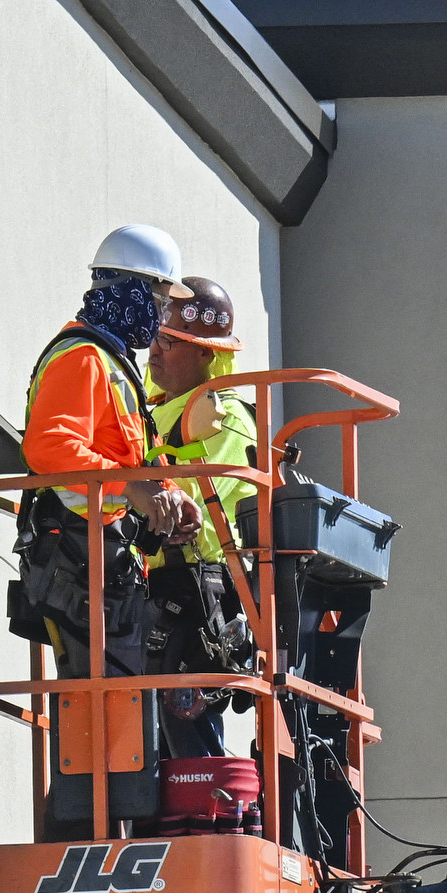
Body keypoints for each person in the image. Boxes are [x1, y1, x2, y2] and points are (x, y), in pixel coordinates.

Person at [14, 224, 190, 833]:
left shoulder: (114, 365)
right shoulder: (84, 357)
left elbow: (123, 456)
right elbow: (52, 447)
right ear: (133, 292)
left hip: (102, 564)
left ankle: (115, 823)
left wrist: (165, 492)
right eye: (159, 299)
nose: (163, 315)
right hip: (72, 562)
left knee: (119, 699)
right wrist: (133, 489)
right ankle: (85, 830)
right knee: (97, 703)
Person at [141, 274, 262, 761]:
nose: (154, 351)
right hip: (157, 581)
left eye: (169, 342)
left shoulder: (224, 414)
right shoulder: (160, 411)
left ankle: (216, 806)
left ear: (208, 355)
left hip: (198, 584)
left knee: (182, 712)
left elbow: (196, 511)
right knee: (145, 721)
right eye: (154, 337)